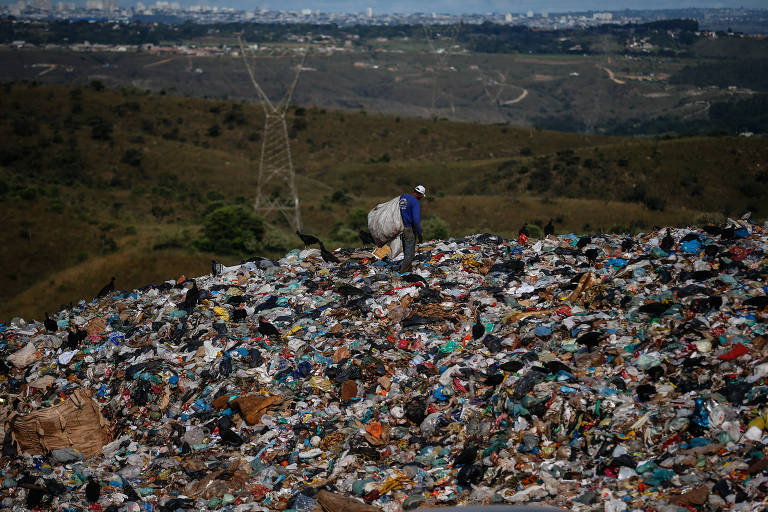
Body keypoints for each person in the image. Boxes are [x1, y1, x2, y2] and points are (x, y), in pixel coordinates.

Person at [399, 185, 425, 273]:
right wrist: (420, 233)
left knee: (406, 250)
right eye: (422, 196)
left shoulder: (403, 197)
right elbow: (416, 220)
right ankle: (403, 273)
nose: (421, 198)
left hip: (400, 227)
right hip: (409, 228)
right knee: (410, 252)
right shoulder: (415, 202)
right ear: (420, 194)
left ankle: (408, 269)